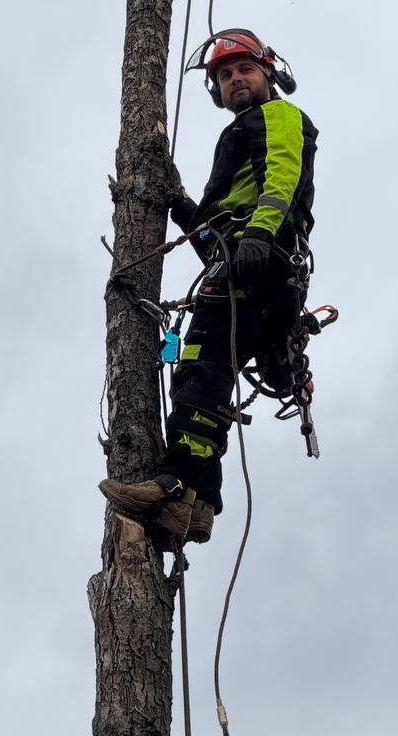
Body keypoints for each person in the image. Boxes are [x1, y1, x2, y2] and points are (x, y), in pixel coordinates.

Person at [99, 29, 318, 544]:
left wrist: (261, 234)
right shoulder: (239, 133)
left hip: (262, 256)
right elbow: (216, 234)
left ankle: (173, 483)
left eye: (244, 69)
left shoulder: (279, 116)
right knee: (206, 373)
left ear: (268, 73)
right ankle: (195, 506)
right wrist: (179, 205)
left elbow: (282, 173)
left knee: (202, 365)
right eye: (224, 75)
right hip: (247, 260)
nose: (235, 80)